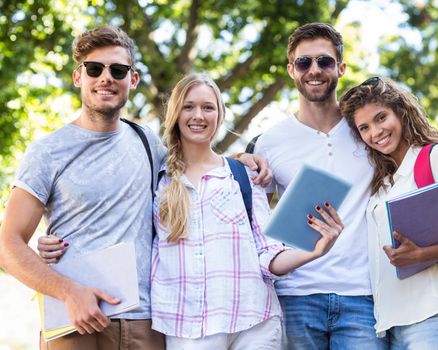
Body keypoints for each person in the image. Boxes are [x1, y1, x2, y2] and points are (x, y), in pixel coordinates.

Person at [0, 26, 269, 350]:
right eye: (94, 69)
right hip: (75, 321)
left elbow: (197, 167)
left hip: (146, 324)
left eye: (118, 70)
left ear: (134, 79)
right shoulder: (47, 152)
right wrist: (68, 291)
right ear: (77, 77)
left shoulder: (148, 145)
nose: (106, 77)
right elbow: (8, 246)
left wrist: (239, 160)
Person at [151, 73, 343, 349]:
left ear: (220, 114)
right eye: (188, 106)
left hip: (255, 323)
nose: (198, 115)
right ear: (175, 113)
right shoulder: (158, 178)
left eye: (208, 107)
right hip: (187, 328)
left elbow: (267, 254)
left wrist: (314, 250)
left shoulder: (243, 176)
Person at [252, 23, 388, 349]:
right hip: (296, 294)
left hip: (363, 296)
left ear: (341, 67)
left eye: (325, 62)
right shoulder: (269, 142)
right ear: (291, 70)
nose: (314, 70)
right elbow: (255, 222)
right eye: (304, 63)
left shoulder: (366, 130)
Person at [339, 77, 438, 349]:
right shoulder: (381, 184)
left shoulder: (435, 158)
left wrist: (421, 255)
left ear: (401, 112)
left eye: (381, 117)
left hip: (435, 316)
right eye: (364, 127)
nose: (376, 132)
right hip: (391, 326)